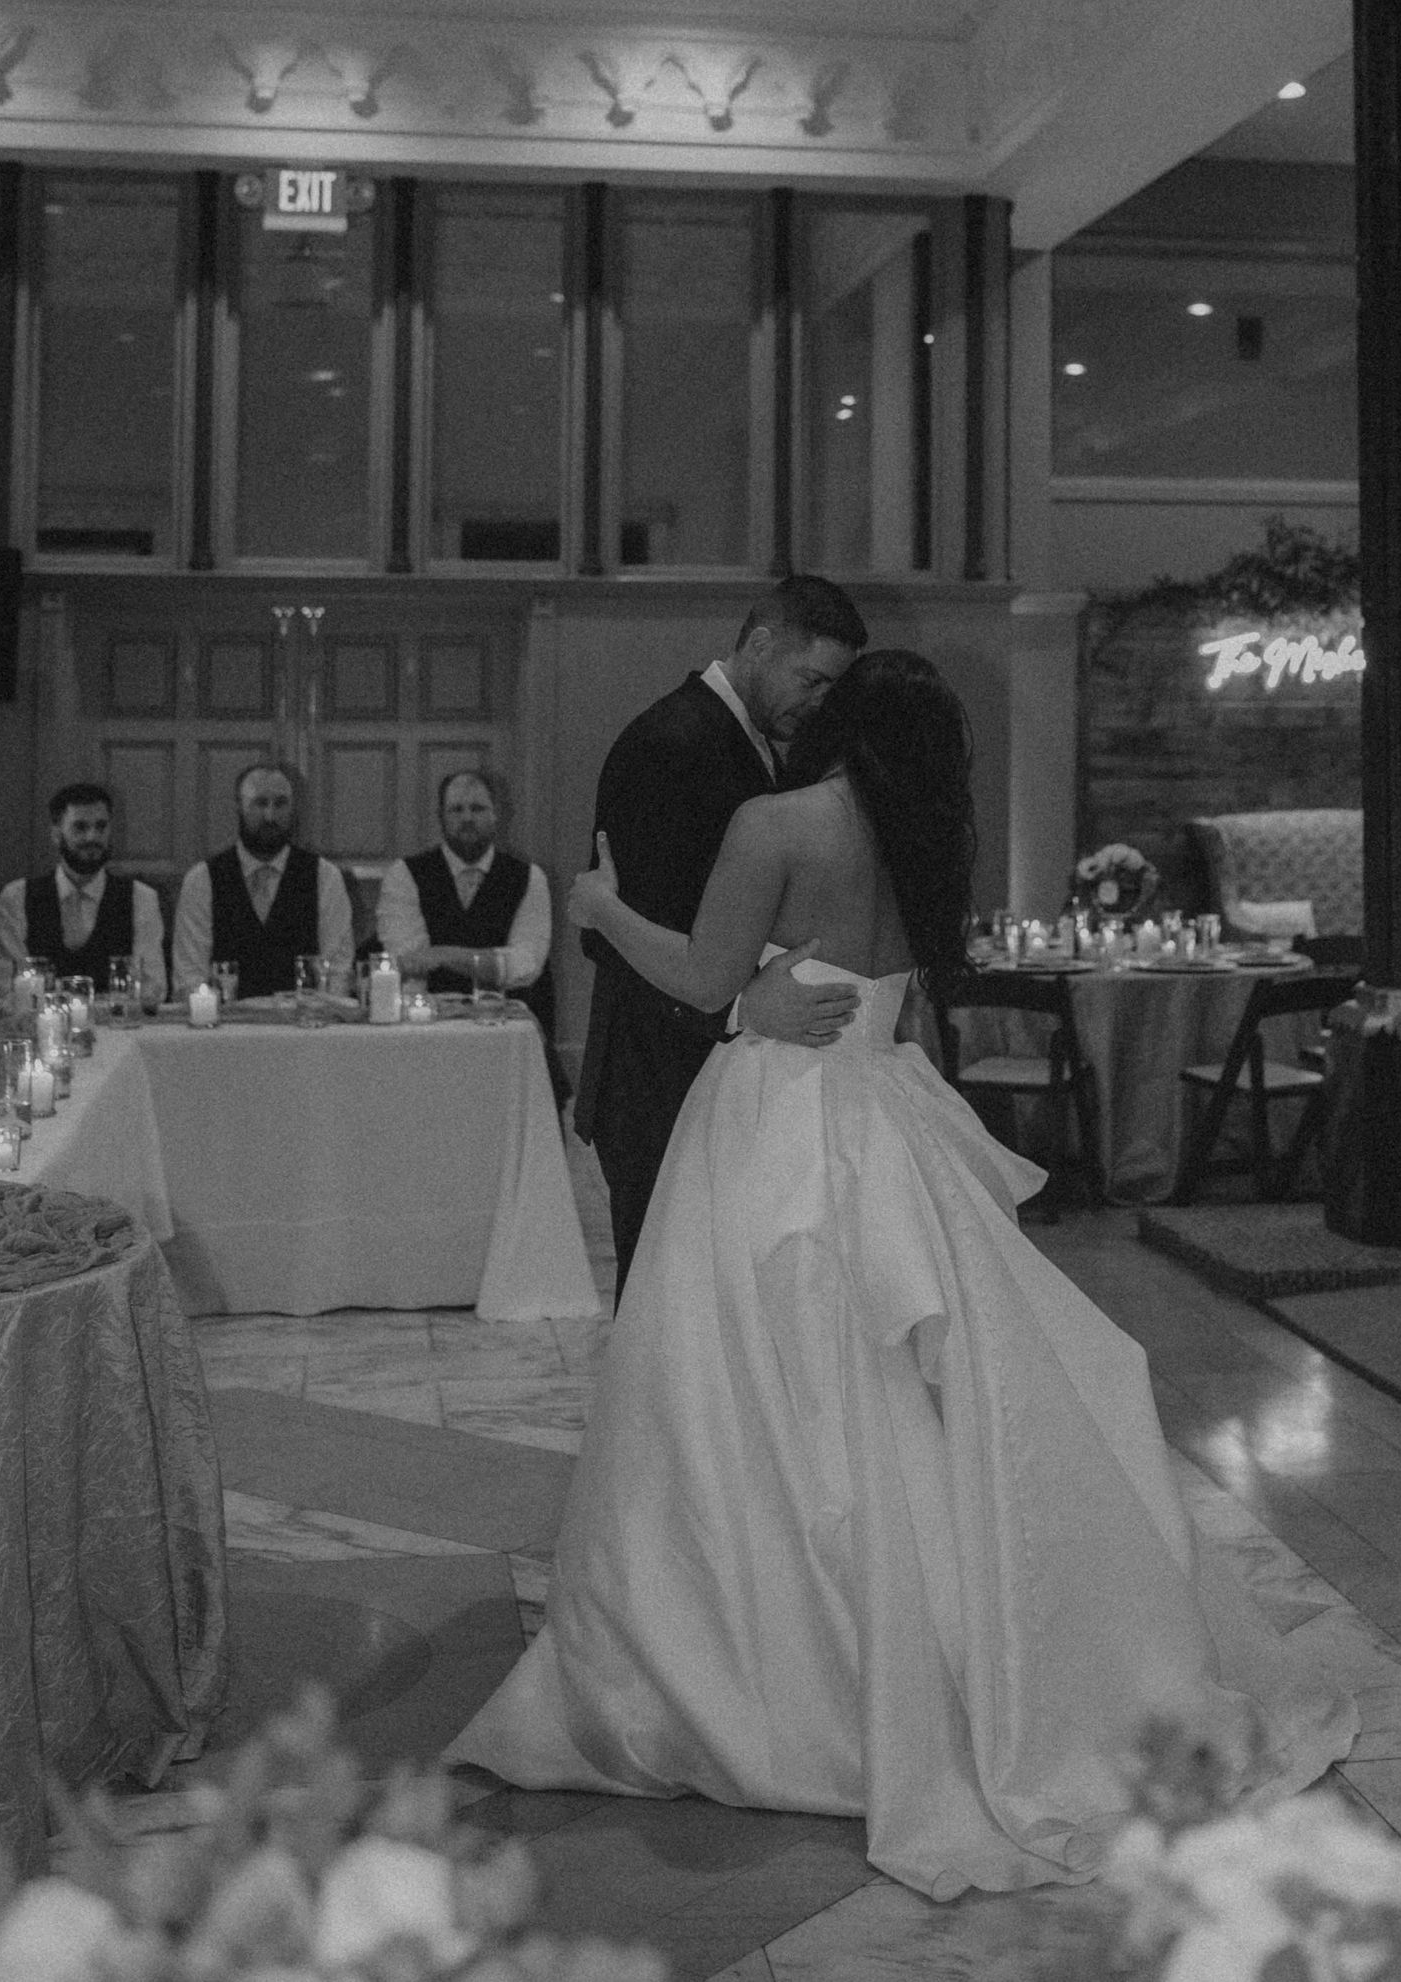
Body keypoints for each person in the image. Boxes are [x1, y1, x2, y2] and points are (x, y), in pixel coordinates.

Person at [447, 649, 1355, 1894]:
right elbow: (893, 1005)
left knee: (745, 1402)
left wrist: (600, 911)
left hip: (776, 1125)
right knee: (907, 1410)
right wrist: (764, 999)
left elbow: (706, 976)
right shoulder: (923, 845)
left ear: (845, 723)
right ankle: (935, 1657)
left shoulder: (777, 822)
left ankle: (777, 1680)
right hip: (884, 1116)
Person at [574, 572, 869, 1302]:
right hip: (658, 1082)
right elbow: (621, 937)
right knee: (662, 1316)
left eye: (832, 687)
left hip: (723, 1080)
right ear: (761, 643)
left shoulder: (757, 743)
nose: (819, 702)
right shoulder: (672, 743)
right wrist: (738, 1009)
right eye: (810, 678)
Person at [376, 769, 560, 1093]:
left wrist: (445, 954)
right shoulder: (404, 875)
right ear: (441, 817)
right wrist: (488, 963)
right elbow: (409, 959)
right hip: (426, 1040)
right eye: (456, 810)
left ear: (497, 814)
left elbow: (526, 965)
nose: (467, 818)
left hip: (509, 1040)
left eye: (477, 809)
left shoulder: (531, 878)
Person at [171, 765, 354, 999]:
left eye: (280, 804)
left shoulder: (325, 877)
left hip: (303, 1029)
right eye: (260, 803)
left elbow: (337, 973)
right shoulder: (201, 880)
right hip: (226, 1032)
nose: (270, 816)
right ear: (239, 806)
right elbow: (189, 975)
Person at [0, 781, 167, 1004]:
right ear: (56, 834)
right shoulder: (17, 897)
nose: (92, 837)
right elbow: (6, 989)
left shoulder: (141, 898)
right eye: (80, 827)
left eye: (101, 827)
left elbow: (153, 990)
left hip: (118, 1031)